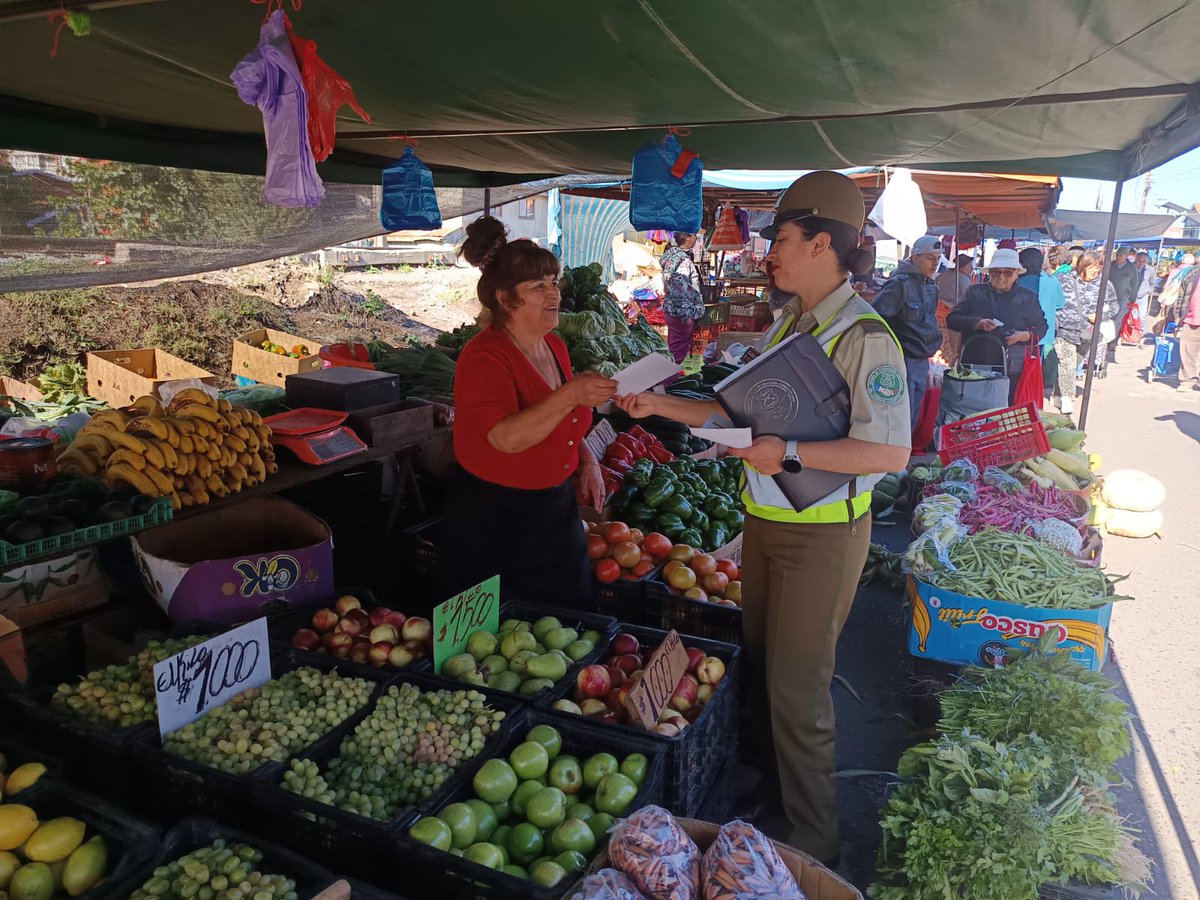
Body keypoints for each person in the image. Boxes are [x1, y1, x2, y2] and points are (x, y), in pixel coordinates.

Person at [615, 171, 911, 864]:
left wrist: (794, 452)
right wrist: (659, 406)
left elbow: (889, 450)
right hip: (769, 526)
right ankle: (772, 802)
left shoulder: (864, 336)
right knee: (766, 670)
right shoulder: (792, 324)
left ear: (820, 243)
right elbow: (737, 418)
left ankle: (814, 843)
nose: (767, 252)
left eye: (779, 239)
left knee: (799, 689)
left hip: (825, 536)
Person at [439, 217, 618, 608]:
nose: (553, 292)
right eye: (538, 286)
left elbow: (564, 421)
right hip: (497, 520)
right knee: (504, 642)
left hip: (554, 512)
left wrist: (585, 460)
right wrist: (571, 394)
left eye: (554, 281)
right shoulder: (484, 357)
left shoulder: (554, 347)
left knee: (569, 623)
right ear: (505, 299)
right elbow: (505, 437)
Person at [947, 248, 1047, 400]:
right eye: (996, 272)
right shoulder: (974, 292)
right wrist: (977, 323)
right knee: (972, 409)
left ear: (1016, 274)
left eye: (1007, 272)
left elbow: (1042, 328)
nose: (1001, 277)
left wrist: (1022, 336)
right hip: (974, 363)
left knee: (1006, 411)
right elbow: (952, 319)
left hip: (1012, 366)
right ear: (989, 272)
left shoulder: (1028, 297)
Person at [870, 235, 943, 425]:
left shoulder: (931, 286)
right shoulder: (899, 284)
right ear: (915, 257)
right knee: (901, 417)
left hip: (920, 358)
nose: (935, 263)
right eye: (930, 258)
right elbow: (874, 318)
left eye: (938, 258)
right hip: (901, 359)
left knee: (911, 417)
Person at [1017, 247, 1066, 403]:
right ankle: (1039, 396)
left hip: (1025, 334)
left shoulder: (1019, 283)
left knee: (1025, 371)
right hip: (1047, 333)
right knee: (1039, 367)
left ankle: (1027, 398)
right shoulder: (1053, 282)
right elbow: (1060, 303)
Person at [1064, 249, 1121, 380]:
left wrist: (1100, 316)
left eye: (1098, 270)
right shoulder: (1067, 280)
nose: (1095, 274)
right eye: (1092, 270)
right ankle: (1064, 396)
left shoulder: (1105, 284)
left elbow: (1114, 306)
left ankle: (1062, 394)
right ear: (1083, 266)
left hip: (1087, 335)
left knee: (1071, 367)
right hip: (1066, 332)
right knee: (1065, 367)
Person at [661, 232, 705, 363]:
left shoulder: (671, 258)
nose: (696, 238)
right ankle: (666, 381)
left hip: (671, 311)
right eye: (693, 235)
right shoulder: (682, 262)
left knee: (672, 350)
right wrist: (685, 316)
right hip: (680, 314)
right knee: (676, 355)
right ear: (686, 238)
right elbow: (679, 290)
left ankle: (665, 380)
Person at [1167, 261, 1200, 391]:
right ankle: (1188, 380)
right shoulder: (1193, 271)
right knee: (1187, 350)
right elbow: (1181, 293)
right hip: (1191, 317)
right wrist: (1178, 313)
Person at [935, 253, 973, 366]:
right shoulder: (963, 279)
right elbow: (969, 299)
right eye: (969, 266)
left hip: (937, 314)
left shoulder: (942, 275)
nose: (971, 269)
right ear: (961, 266)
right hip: (951, 316)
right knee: (952, 347)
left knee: (942, 346)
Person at [1134, 251, 1155, 328]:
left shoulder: (1150, 270)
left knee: (1142, 317)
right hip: (1130, 296)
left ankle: (1140, 332)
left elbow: (1152, 284)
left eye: (1144, 261)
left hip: (1143, 296)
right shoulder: (1130, 267)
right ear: (1135, 259)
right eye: (1139, 261)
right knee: (1131, 316)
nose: (1141, 264)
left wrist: (1148, 292)